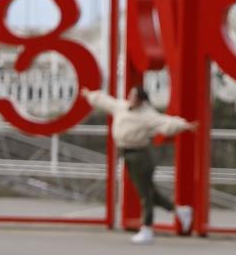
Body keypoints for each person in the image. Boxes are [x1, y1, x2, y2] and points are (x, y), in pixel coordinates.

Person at [83, 84, 195, 241]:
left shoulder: (146, 115)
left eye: (134, 97)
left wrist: (184, 125)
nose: (130, 99)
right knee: (151, 193)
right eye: (130, 95)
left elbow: (165, 122)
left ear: (141, 100)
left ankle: (147, 228)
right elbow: (106, 101)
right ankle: (180, 211)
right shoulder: (122, 107)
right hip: (126, 154)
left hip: (140, 156)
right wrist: (90, 95)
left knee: (146, 194)